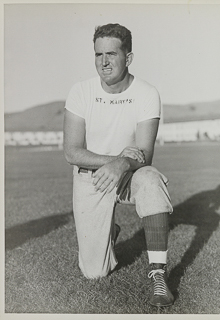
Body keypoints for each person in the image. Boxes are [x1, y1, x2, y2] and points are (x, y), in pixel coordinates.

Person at [63, 23, 174, 307]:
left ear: (129, 57)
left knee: (151, 179)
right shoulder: (81, 91)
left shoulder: (147, 93)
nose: (104, 62)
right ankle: (108, 233)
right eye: (99, 54)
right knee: (94, 273)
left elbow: (145, 156)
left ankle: (158, 274)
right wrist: (114, 161)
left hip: (129, 174)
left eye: (111, 54)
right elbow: (72, 152)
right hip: (92, 179)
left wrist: (123, 165)